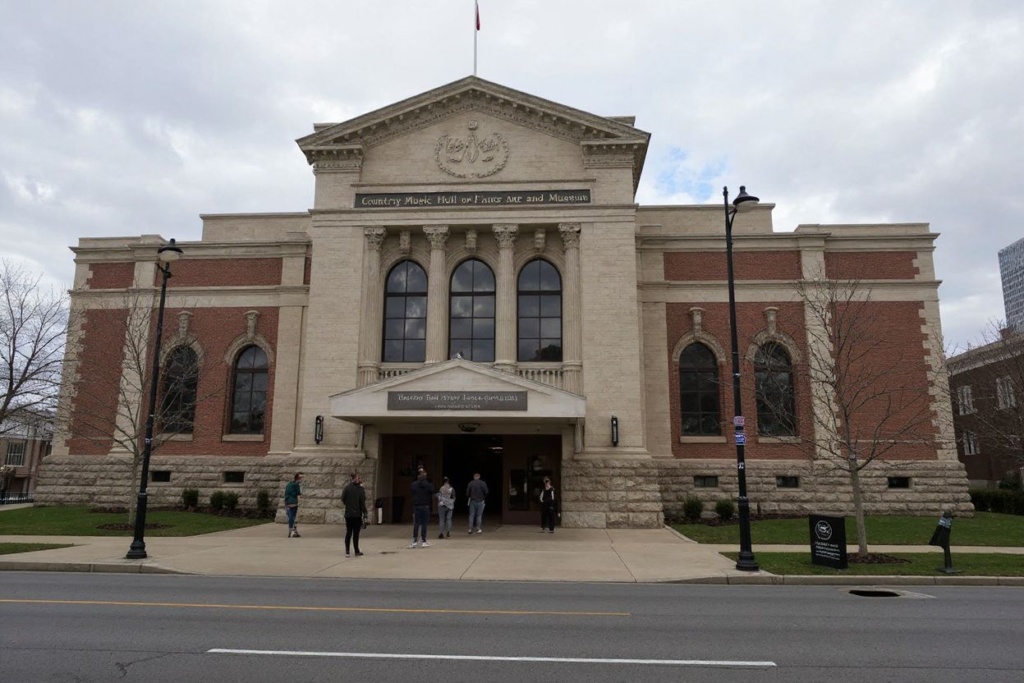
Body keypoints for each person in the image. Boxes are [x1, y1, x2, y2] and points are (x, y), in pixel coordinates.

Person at [341, 472, 367, 557]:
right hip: (356, 514)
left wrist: (348, 504)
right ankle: (356, 550)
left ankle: (347, 551)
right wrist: (365, 513)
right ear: (355, 479)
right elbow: (362, 502)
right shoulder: (360, 489)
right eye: (359, 478)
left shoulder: (347, 488)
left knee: (348, 532)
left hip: (348, 514)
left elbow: (343, 499)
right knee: (356, 533)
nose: (360, 479)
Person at [409, 471, 435, 548]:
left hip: (416, 505)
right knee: (424, 524)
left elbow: (412, 491)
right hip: (425, 505)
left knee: (416, 523)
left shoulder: (414, 484)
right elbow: (433, 490)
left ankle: (414, 541)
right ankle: (423, 541)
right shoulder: (428, 485)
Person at [284, 472, 303, 538]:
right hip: (293, 503)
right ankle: (292, 532)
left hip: (287, 503)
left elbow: (287, 493)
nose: (303, 479)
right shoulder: (297, 485)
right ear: (298, 478)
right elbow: (299, 494)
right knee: (294, 518)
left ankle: (292, 531)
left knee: (291, 517)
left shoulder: (289, 484)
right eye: (302, 477)